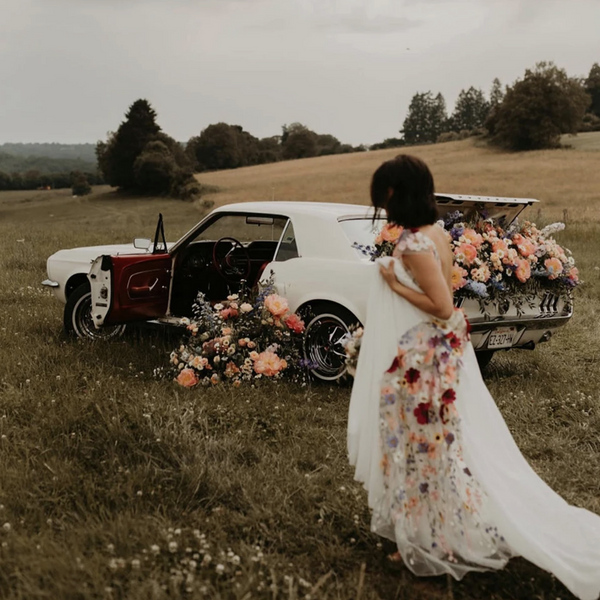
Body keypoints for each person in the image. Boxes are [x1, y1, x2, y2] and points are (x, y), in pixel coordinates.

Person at [347, 154, 600, 600]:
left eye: (384, 197)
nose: (382, 207)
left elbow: (443, 305)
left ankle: (433, 540)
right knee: (439, 443)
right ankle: (436, 529)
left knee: (423, 446)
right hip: (439, 352)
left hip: (425, 359)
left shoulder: (414, 245)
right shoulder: (436, 233)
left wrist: (394, 282)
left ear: (398, 195)